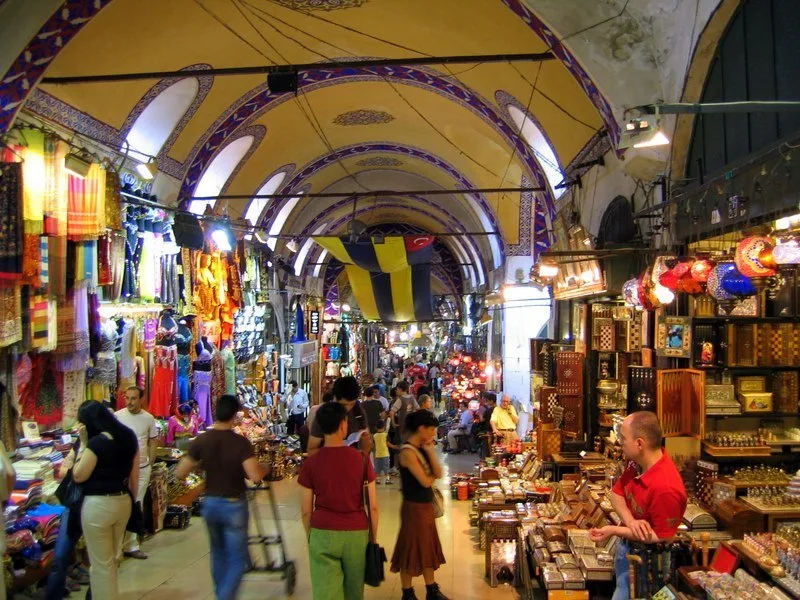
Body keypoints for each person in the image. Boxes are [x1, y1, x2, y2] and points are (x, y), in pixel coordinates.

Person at [176, 395, 268, 600]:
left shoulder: (202, 440)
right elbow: (254, 475)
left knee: (217, 552)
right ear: (235, 415)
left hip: (211, 504)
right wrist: (264, 469)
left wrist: (201, 468)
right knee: (236, 558)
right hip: (234, 504)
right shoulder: (240, 443)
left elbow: (180, 472)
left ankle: (221, 592)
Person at [588, 411, 688, 600]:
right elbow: (617, 493)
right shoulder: (636, 463)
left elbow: (660, 536)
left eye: (623, 438)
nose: (619, 442)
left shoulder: (666, 487)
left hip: (649, 567)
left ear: (640, 443)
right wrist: (631, 522)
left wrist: (615, 530)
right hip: (628, 555)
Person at [299, 402, 379, 600]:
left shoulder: (311, 463)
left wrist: (311, 535)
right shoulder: (361, 459)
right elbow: (374, 507)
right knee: (354, 592)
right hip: (356, 533)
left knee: (326, 593)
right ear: (344, 425)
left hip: (323, 532)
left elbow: (306, 510)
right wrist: (372, 539)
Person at [73, 401, 139, 600]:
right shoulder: (128, 436)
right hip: (122, 501)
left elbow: (79, 475)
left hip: (98, 506)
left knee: (101, 565)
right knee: (111, 559)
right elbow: (134, 475)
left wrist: (83, 445)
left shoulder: (97, 443)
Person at [391, 410, 448, 600]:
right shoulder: (407, 452)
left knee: (426, 547)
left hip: (424, 506)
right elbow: (425, 481)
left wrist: (430, 450)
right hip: (413, 507)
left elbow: (438, 473)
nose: (433, 433)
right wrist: (431, 477)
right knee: (411, 549)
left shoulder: (423, 448)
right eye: (431, 429)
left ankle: (431, 588)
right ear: (421, 428)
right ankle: (408, 592)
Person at [115, 386, 159, 560]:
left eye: (133, 398)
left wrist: (150, 461)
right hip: (122, 468)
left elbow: (153, 440)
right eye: (127, 398)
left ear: (141, 399)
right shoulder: (117, 417)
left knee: (137, 503)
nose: (129, 402)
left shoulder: (148, 418)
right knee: (121, 505)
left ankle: (131, 545)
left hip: (141, 468)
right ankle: (117, 546)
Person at [308, 376, 373, 456]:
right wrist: (337, 453)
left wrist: (366, 443)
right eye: (344, 404)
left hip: (353, 465)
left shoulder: (358, 412)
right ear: (334, 398)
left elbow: (367, 443)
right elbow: (311, 450)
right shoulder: (324, 414)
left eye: (352, 404)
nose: (348, 408)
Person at [373, 419, 394, 484]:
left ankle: (378, 479)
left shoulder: (374, 436)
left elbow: (374, 446)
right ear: (384, 427)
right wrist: (395, 446)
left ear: (376, 427)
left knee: (377, 468)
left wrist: (374, 455)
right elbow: (388, 444)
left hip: (377, 455)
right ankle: (387, 479)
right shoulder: (385, 435)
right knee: (386, 468)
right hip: (385, 454)